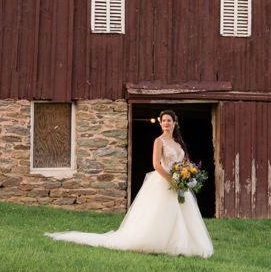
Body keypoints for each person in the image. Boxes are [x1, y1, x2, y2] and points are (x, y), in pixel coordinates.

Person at [46, 110, 214, 258]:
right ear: (161, 123)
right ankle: (160, 243)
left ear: (175, 123)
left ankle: (184, 245)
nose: (166, 123)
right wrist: (173, 181)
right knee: (162, 214)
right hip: (164, 181)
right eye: (163, 120)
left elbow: (182, 163)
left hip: (179, 184)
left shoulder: (177, 144)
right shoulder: (159, 141)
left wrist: (186, 176)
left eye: (169, 120)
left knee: (182, 213)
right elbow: (156, 164)